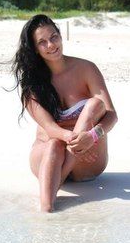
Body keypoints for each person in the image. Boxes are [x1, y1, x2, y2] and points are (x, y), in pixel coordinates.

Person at [12, 14, 118, 212]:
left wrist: (91, 136)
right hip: (47, 158)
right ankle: (46, 211)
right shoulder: (31, 84)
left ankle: (49, 197)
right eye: (42, 42)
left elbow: (112, 115)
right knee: (54, 144)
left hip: (89, 159)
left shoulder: (86, 68)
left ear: (61, 35)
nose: (51, 45)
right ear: (35, 48)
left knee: (95, 104)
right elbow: (51, 128)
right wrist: (77, 141)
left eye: (54, 37)